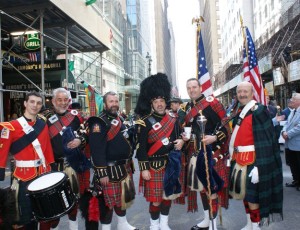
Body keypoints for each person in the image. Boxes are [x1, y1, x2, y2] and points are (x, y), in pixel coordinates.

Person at [229, 82, 283, 230]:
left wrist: (260, 166)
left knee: (253, 198)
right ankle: (249, 224)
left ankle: (256, 226)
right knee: (245, 196)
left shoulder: (259, 110)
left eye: (245, 91)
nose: (242, 94)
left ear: (252, 93)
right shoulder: (239, 110)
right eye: (239, 92)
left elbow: (267, 140)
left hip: (255, 161)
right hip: (239, 159)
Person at [135, 73, 184, 230]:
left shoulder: (174, 119)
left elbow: (181, 136)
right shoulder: (144, 122)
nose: (159, 104)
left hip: (170, 164)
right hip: (153, 166)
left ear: (165, 102)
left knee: (167, 196)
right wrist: (143, 169)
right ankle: (153, 226)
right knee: (155, 200)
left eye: (162, 101)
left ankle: (164, 224)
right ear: (152, 104)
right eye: (156, 102)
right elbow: (140, 148)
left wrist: (183, 140)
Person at [0, 92, 55, 230]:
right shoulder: (11, 126)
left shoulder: (43, 124)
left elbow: (47, 149)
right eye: (31, 102)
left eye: (38, 103)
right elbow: (2, 150)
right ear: (25, 103)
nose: (35, 105)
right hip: (23, 177)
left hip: (43, 174)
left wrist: (51, 167)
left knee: (44, 216)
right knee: (26, 220)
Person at [182, 78, 229, 230]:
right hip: (195, 152)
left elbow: (226, 126)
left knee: (211, 188)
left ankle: (213, 224)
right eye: (189, 88)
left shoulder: (213, 103)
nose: (191, 90)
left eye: (194, 87)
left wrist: (215, 137)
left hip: (211, 152)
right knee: (203, 188)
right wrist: (185, 137)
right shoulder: (189, 107)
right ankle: (207, 219)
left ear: (200, 87)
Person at [87, 91, 137, 230]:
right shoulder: (98, 122)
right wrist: (102, 173)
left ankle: (123, 224)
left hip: (123, 167)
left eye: (116, 101)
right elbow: (96, 150)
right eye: (111, 101)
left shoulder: (118, 119)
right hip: (109, 169)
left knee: (121, 200)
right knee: (108, 204)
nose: (114, 104)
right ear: (104, 103)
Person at [45, 88, 90, 230]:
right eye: (59, 99)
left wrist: (80, 141)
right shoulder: (44, 119)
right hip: (52, 167)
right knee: (53, 204)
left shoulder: (76, 117)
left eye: (66, 100)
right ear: (53, 101)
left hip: (72, 165)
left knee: (73, 201)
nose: (63, 103)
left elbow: (87, 133)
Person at [282, 93, 300, 190]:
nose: (291, 101)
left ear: (298, 101)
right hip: (289, 143)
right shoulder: (293, 111)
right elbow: (287, 124)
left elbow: (299, 127)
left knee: (298, 163)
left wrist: (288, 134)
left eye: (293, 99)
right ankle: (296, 180)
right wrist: (284, 131)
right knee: (293, 163)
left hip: (297, 143)